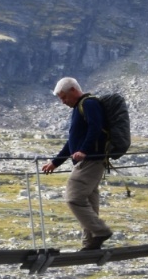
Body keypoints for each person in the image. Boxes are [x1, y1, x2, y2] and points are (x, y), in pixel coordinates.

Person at [40, 77, 113, 250]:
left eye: (64, 97)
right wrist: (55, 163)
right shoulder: (80, 107)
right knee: (90, 203)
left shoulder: (88, 104)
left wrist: (85, 150)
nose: (63, 102)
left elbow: (95, 128)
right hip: (92, 160)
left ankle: (101, 231)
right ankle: (90, 243)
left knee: (73, 198)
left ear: (73, 90)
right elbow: (72, 142)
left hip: (90, 161)